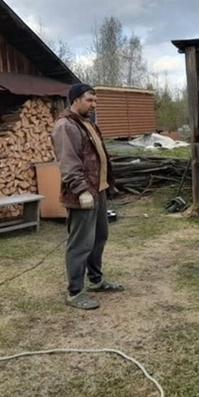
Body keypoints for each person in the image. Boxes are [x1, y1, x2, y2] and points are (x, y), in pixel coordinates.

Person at [51, 83, 124, 310]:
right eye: (89, 100)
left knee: (99, 237)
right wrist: (81, 190)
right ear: (75, 100)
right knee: (80, 243)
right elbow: (68, 162)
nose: (93, 105)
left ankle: (95, 280)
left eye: (95, 101)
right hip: (82, 194)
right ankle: (74, 292)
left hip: (98, 191)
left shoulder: (87, 124)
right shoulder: (66, 126)